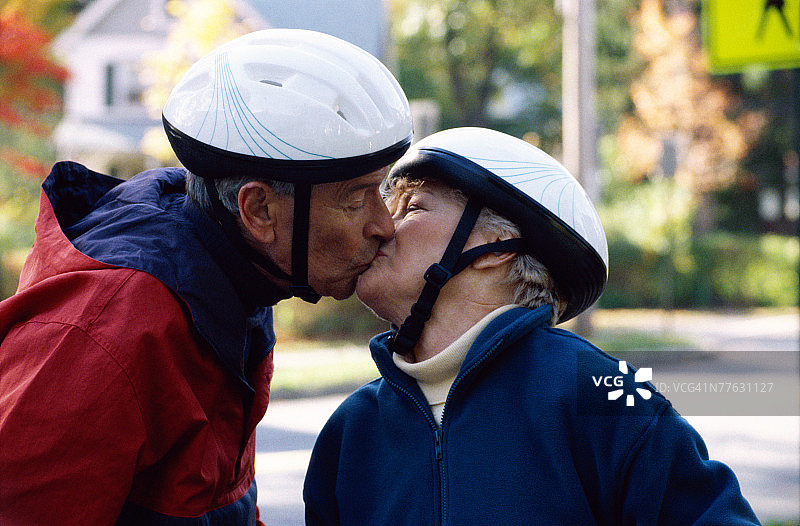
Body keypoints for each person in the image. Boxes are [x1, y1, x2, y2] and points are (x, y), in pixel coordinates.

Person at [0, 29, 412, 525]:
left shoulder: (234, 281)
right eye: (355, 198)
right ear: (258, 209)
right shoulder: (107, 334)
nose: (383, 225)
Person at [303, 127, 761, 525]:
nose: (382, 225)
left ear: (497, 244)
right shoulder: (352, 431)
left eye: (412, 207)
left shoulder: (604, 391)